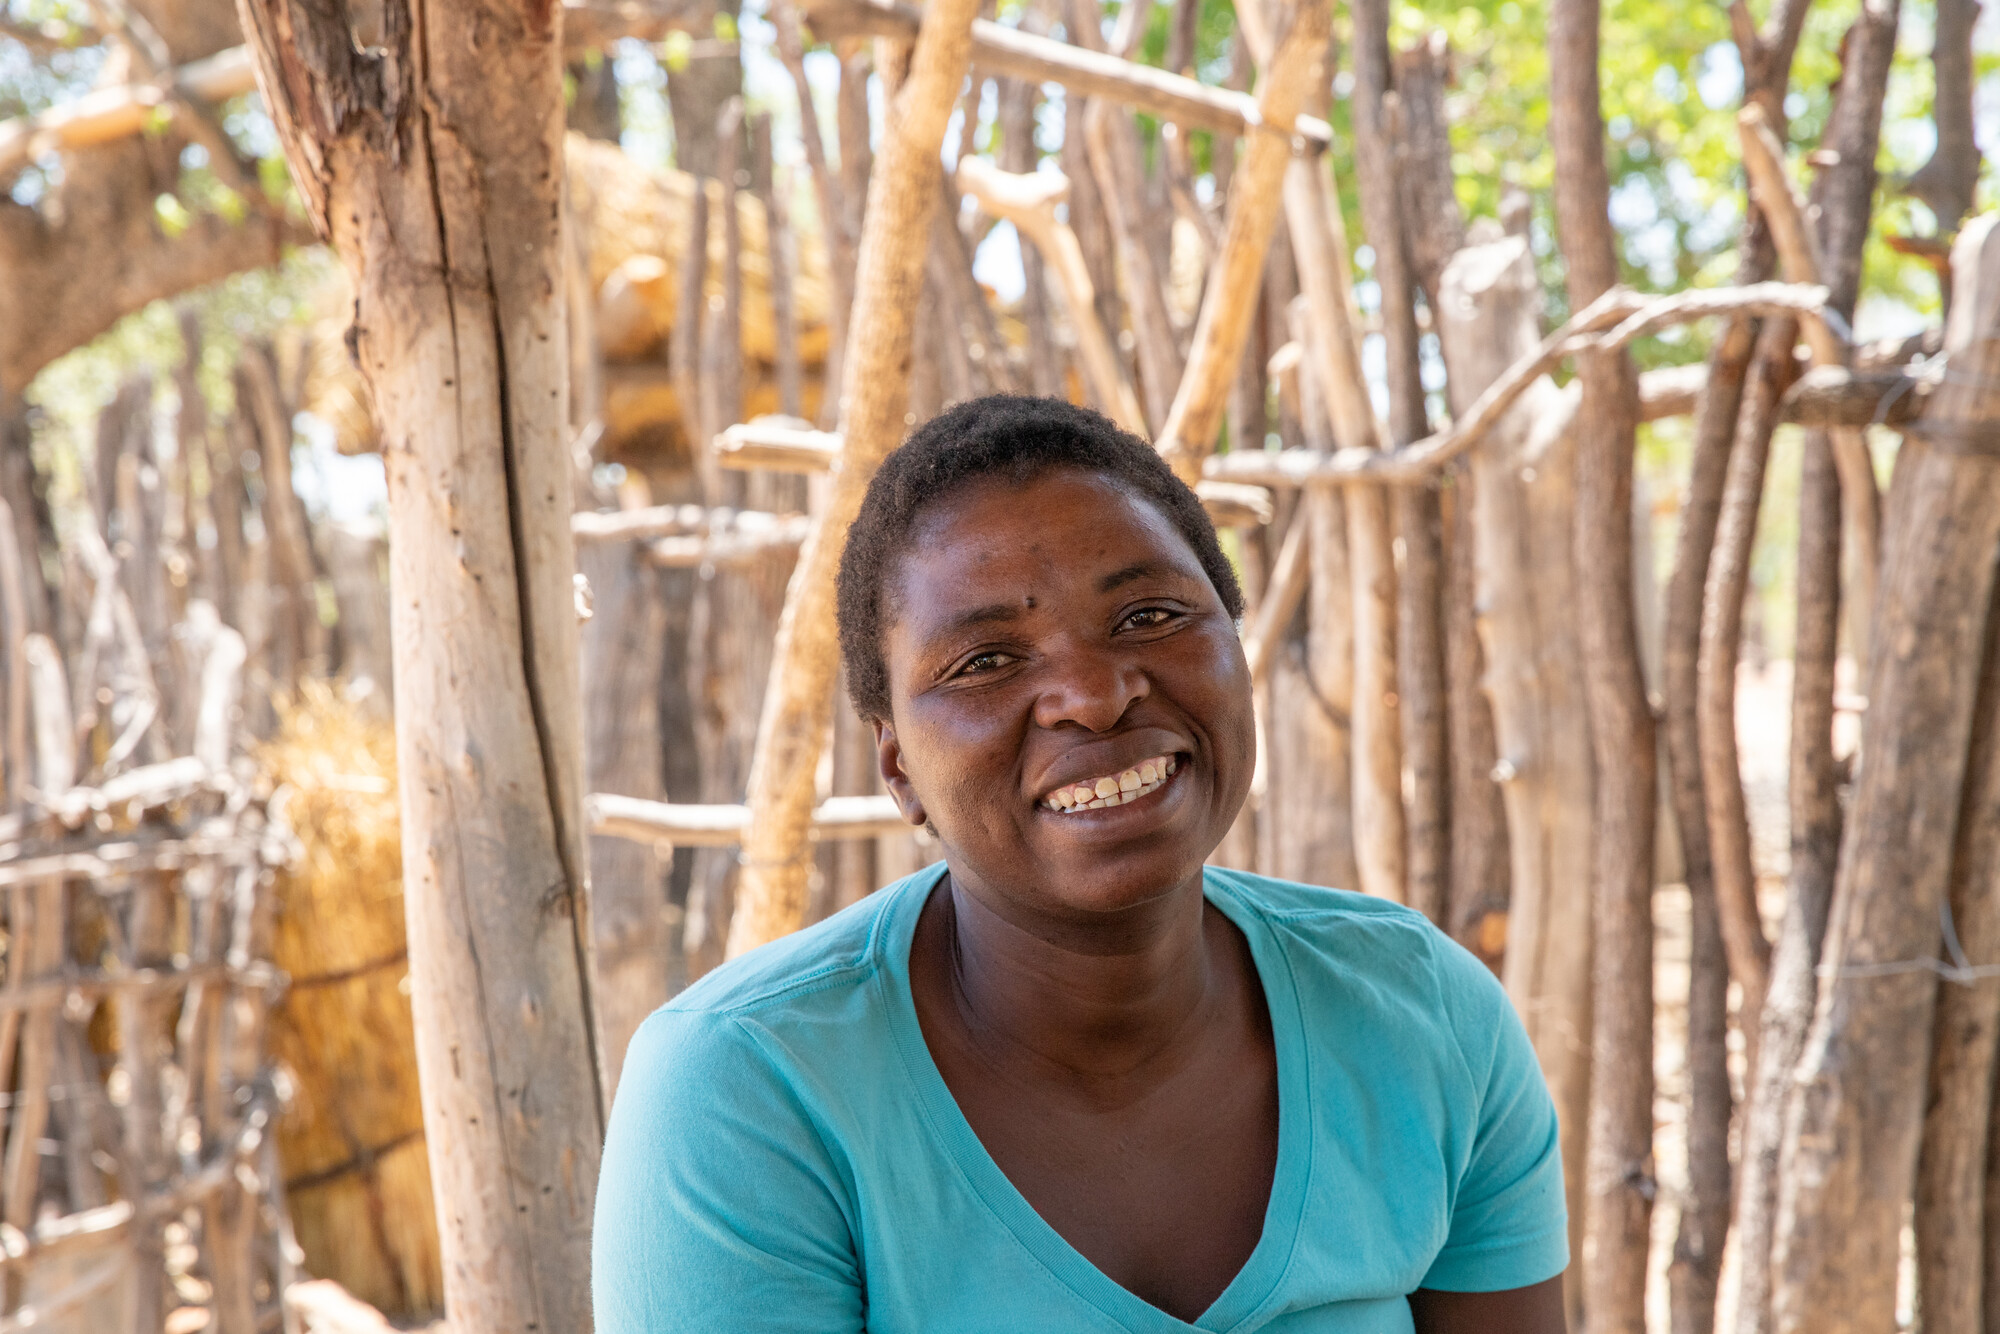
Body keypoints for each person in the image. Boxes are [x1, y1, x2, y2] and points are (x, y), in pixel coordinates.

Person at [593, 396, 1569, 1333]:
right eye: (983, 661)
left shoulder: (1422, 1020)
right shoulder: (748, 1094)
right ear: (899, 769)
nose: (1093, 695)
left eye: (1148, 615)